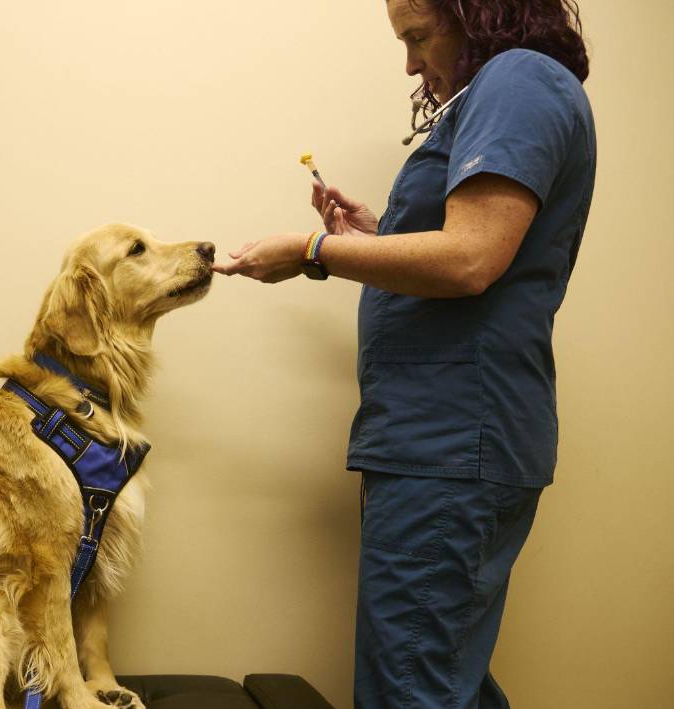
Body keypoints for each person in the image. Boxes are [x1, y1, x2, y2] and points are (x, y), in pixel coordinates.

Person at [214, 1, 595, 706]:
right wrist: (377, 231)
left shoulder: (518, 81)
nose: (413, 63)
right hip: (440, 441)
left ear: (480, 13)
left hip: (450, 441)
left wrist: (312, 251)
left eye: (419, 37)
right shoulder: (505, 92)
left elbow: (473, 257)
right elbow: (467, 246)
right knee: (444, 678)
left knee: (412, 686)